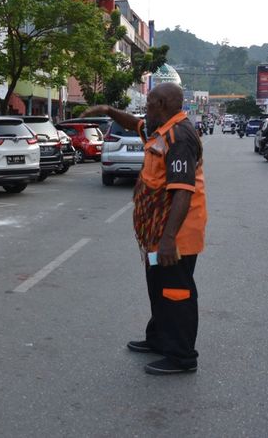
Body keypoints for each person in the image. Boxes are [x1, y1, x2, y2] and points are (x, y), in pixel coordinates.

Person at [81, 82, 207, 375]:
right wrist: (109, 110)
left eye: (149, 104)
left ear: (162, 105)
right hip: (159, 232)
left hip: (176, 234)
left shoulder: (179, 136)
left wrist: (168, 240)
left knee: (177, 291)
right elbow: (135, 123)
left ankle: (182, 356)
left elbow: (183, 191)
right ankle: (160, 339)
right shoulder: (159, 129)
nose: (144, 110)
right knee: (158, 286)